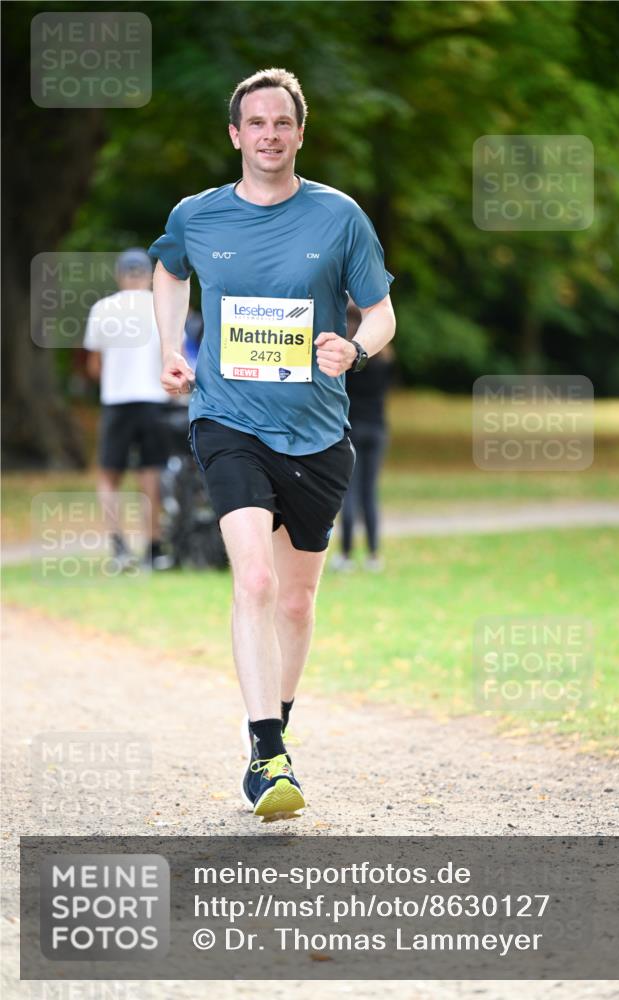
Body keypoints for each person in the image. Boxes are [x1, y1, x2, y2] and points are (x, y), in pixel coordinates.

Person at [148, 67, 395, 819]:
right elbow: (166, 271)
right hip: (228, 421)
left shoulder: (340, 216)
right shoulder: (198, 216)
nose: (268, 135)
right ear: (235, 135)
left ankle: (275, 733)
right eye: (254, 123)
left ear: (298, 131)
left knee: (294, 599)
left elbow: (381, 314)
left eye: (281, 123)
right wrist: (170, 346)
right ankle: (265, 751)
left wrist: (354, 350)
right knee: (252, 580)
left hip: (318, 431)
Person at [84, 248, 172, 570]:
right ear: (149, 275)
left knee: (109, 476)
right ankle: (154, 548)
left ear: (120, 275)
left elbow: (95, 365)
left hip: (117, 402)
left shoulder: (102, 309)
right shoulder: (160, 307)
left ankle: (119, 548)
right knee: (150, 473)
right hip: (154, 401)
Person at [331, 298, 394, 572]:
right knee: (369, 493)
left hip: (352, 429)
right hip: (378, 429)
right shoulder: (385, 359)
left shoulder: (345, 359)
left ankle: (345, 554)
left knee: (349, 494)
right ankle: (373, 554)